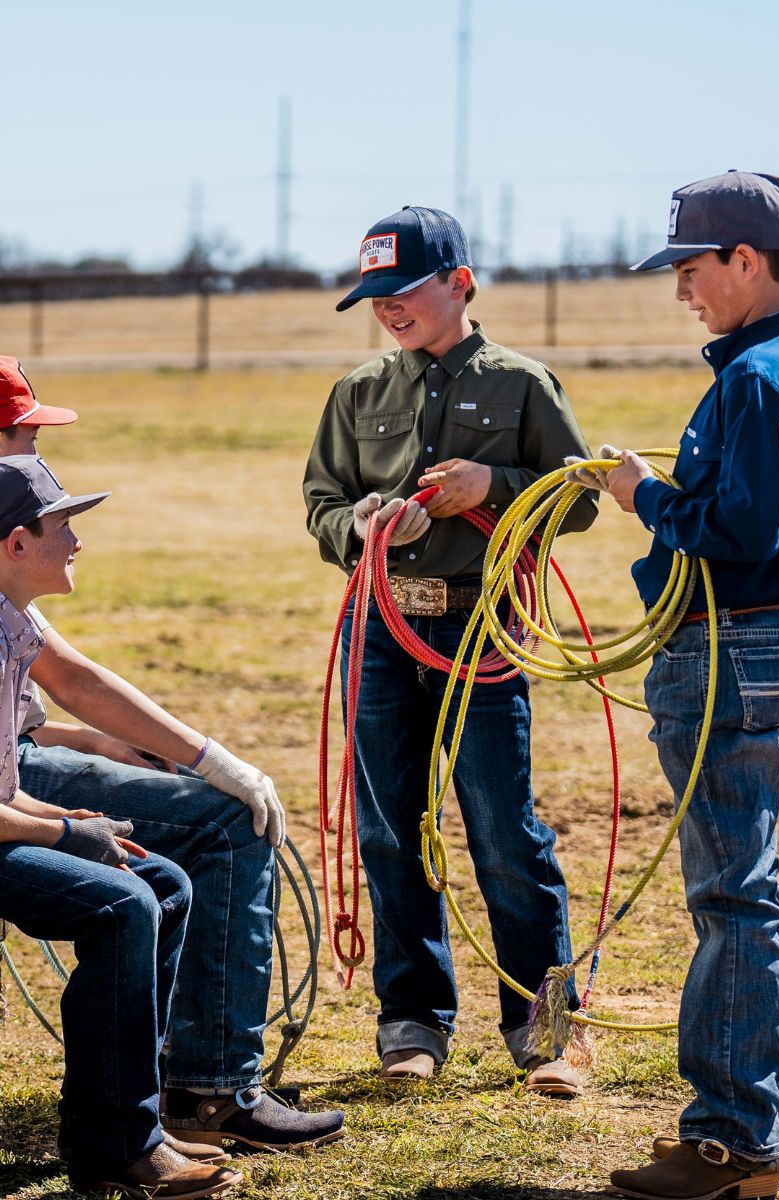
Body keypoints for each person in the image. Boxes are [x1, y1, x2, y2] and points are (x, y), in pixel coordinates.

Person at [569, 172, 779, 1200]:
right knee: (748, 892)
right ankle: (778, 1121)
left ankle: (732, 1137)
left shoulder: (759, 381)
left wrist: (643, 494)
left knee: (732, 895)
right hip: (761, 640)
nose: (682, 288)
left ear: (742, 260)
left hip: (726, 646)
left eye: (690, 267)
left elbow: (737, 531)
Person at [0, 356, 346, 1154]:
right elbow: (71, 677)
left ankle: (152, 1091)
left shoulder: (10, 535)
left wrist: (88, 741)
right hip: (10, 783)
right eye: (22, 433)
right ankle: (207, 1089)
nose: (34, 450)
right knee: (222, 825)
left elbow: (54, 682)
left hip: (19, 760)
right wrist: (209, 766)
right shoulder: (8, 531)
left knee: (168, 864)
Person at [303, 206, 599, 1095]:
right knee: (389, 827)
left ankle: (548, 1030)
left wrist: (495, 485)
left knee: (505, 831)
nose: (387, 308)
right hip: (383, 625)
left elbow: (577, 499)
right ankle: (413, 1022)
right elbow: (321, 503)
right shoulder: (360, 393)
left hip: (484, 628)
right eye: (374, 296)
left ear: (460, 284)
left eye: (404, 291)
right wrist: (358, 527)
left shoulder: (523, 385)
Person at [0, 455, 241, 1198]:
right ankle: (117, 1145)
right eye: (63, 525)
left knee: (162, 883)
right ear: (15, 542)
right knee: (123, 902)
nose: (76, 542)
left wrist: (64, 814)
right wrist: (68, 838)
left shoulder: (14, 624)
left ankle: (118, 1120)